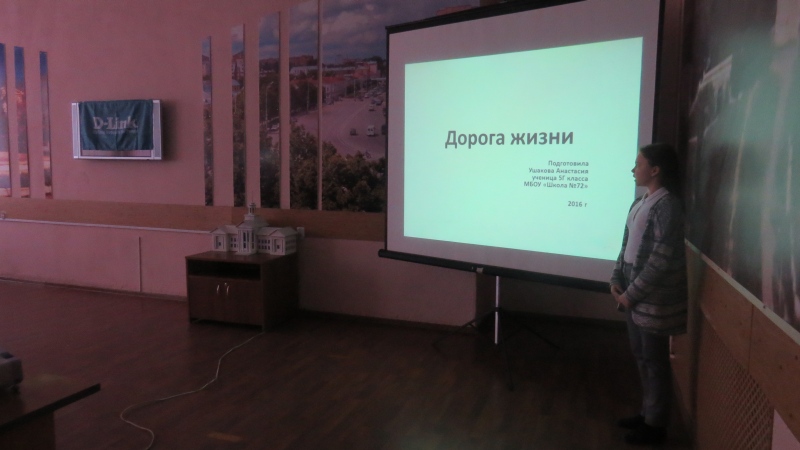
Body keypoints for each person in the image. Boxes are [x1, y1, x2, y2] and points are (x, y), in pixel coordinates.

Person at [610, 142, 688, 446]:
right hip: (633, 285)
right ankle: (647, 413)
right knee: (641, 356)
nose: (633, 169)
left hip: (652, 297)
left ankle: (656, 425)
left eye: (639, 164)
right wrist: (616, 278)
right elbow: (626, 245)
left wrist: (631, 294)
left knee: (654, 361)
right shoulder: (639, 202)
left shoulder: (668, 205)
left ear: (655, 170)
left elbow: (660, 259)